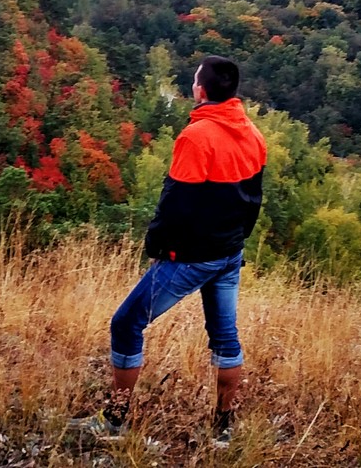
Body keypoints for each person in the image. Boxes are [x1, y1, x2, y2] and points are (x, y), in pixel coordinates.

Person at [72, 55, 267, 445]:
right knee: (226, 339)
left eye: (194, 79)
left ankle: (114, 419)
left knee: (126, 324)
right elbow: (252, 200)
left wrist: (157, 244)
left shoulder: (196, 137)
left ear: (201, 90)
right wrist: (236, 241)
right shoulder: (253, 134)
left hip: (192, 256)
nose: (193, 84)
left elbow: (176, 201)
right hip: (229, 253)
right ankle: (223, 429)